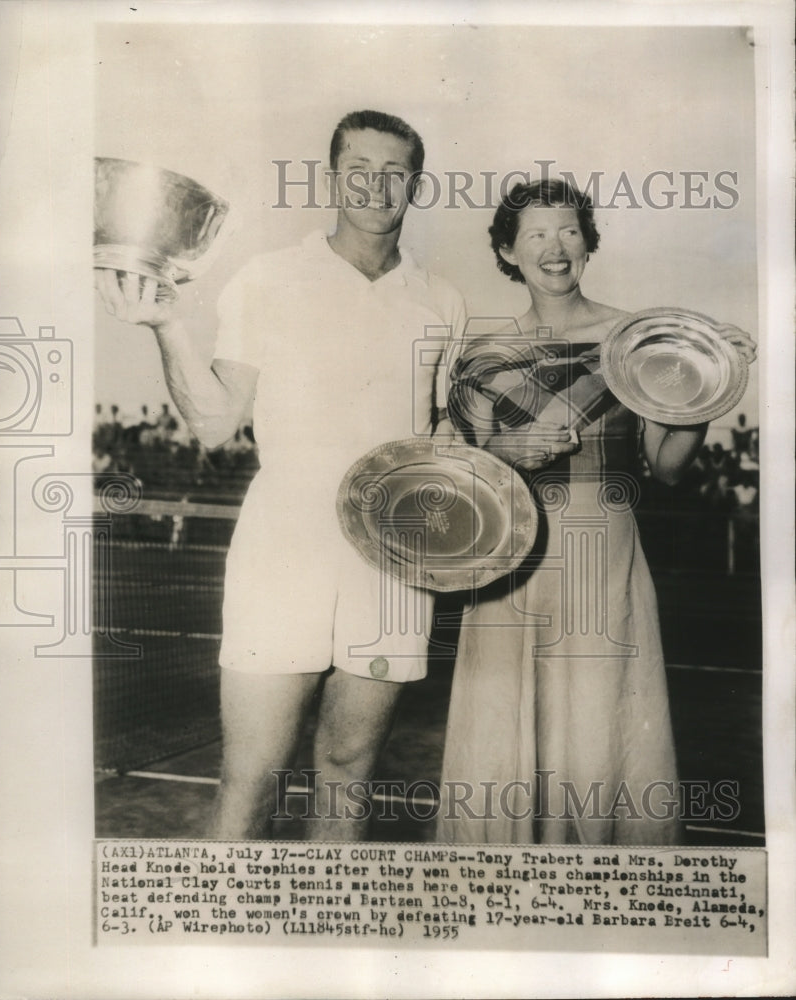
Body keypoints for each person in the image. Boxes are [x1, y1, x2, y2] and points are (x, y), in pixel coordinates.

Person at [95, 109, 466, 839]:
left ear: (415, 184)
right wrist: (166, 326)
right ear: (331, 178)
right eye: (358, 168)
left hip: (392, 559)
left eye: (394, 172)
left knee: (350, 764)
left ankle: (337, 947)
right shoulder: (268, 279)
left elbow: (439, 434)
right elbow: (212, 421)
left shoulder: (442, 301)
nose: (375, 185)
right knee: (252, 774)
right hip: (284, 542)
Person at [436, 178, 755, 845]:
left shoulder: (635, 339)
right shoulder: (478, 357)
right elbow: (466, 485)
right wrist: (512, 450)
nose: (556, 249)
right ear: (507, 250)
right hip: (511, 555)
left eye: (570, 231)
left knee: (598, 721)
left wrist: (709, 383)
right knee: (505, 723)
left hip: (603, 551)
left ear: (588, 242)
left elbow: (665, 466)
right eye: (536, 235)